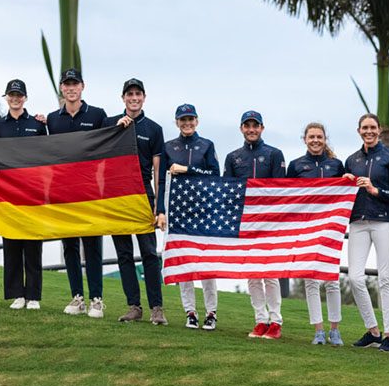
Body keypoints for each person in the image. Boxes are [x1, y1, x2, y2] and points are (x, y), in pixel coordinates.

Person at [106, 78, 168, 326]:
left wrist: (158, 206)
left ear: (144, 97)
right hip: (117, 197)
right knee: (124, 254)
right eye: (129, 94)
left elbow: (158, 171)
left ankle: (157, 308)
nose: (133, 98)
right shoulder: (110, 123)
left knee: (149, 253)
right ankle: (134, 306)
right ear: (123, 98)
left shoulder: (154, 129)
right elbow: (97, 156)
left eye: (138, 94)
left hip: (143, 196)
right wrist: (114, 132)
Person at [46, 68, 107, 318]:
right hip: (62, 189)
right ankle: (77, 297)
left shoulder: (97, 115)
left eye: (75, 84)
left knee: (92, 245)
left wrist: (122, 123)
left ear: (82, 87)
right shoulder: (52, 119)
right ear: (62, 88)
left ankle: (96, 299)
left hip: (90, 189)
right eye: (67, 84)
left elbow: (110, 143)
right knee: (69, 245)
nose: (71, 88)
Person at [342, 114, 389, 352]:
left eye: (372, 127)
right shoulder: (351, 160)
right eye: (364, 128)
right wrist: (345, 180)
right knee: (354, 277)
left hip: (384, 221)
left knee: (385, 277)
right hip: (358, 221)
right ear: (359, 131)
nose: (369, 131)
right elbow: (344, 193)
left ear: (379, 130)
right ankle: (373, 331)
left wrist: (375, 190)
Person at [156, 104, 220, 330]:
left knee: (206, 263)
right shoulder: (168, 147)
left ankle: (211, 312)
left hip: (204, 212)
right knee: (184, 262)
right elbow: (161, 181)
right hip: (178, 212)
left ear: (197, 121)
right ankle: (190, 312)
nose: (187, 123)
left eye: (190, 119)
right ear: (177, 122)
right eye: (183, 120)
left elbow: (215, 175)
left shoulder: (207, 145)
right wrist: (160, 211)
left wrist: (187, 169)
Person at [224, 110, 285, 339]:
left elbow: (280, 189)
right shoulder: (233, 157)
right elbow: (228, 191)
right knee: (252, 273)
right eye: (247, 125)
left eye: (255, 125)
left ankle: (275, 321)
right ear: (242, 128)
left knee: (270, 272)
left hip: (269, 222)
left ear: (262, 128)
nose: (251, 129)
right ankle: (260, 320)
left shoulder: (274, 154)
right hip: (245, 222)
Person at [287, 122, 346, 346]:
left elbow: (343, 192)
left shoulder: (336, 165)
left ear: (325, 139)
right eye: (311, 137)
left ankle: (335, 330)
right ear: (305, 139)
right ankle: (318, 331)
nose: (315, 140)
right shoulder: (295, 166)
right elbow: (287, 196)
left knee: (331, 279)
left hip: (330, 227)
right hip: (306, 227)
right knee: (310, 279)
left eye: (319, 137)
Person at [0, 79, 47, 310]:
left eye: (19, 95)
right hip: (7, 192)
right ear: (6, 97)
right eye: (11, 95)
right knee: (11, 243)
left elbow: (47, 155)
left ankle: (33, 296)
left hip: (33, 191)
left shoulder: (37, 124)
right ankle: (17, 295)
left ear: (25, 98)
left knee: (33, 244)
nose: (15, 99)